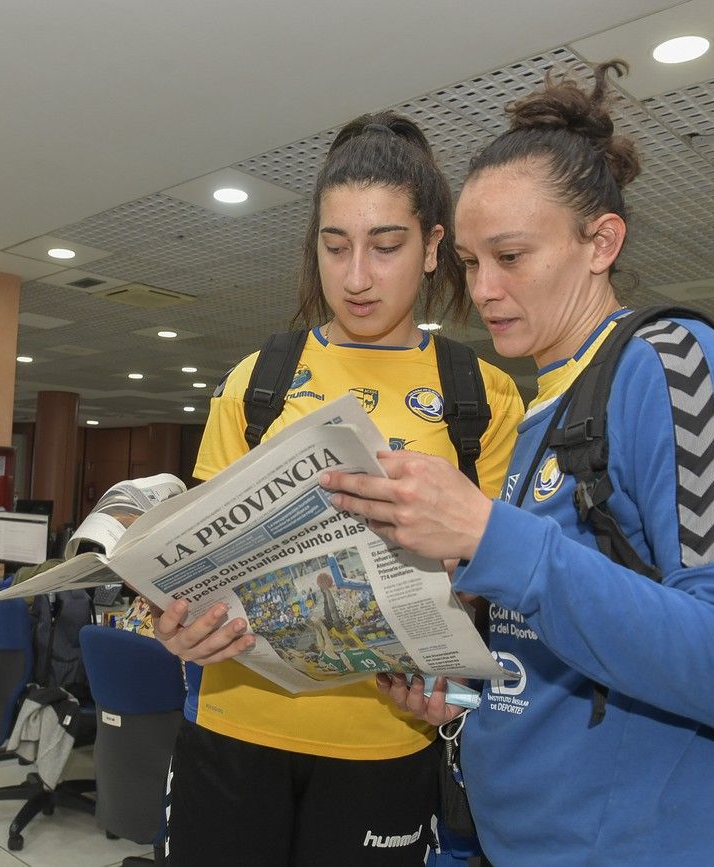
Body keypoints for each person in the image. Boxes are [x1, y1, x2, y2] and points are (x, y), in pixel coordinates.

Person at [321, 61, 714, 866]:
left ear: (600, 241)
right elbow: (557, 650)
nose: (486, 288)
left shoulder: (675, 368)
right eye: (470, 262)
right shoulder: (543, 407)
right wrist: (459, 692)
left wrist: (490, 534)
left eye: (511, 256)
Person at [154, 111, 524, 866]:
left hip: (387, 741)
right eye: (335, 246)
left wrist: (454, 648)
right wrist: (172, 619)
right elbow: (187, 564)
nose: (356, 276)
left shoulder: (481, 398)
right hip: (233, 730)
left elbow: (496, 584)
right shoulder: (255, 384)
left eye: (386, 247)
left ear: (432, 249)